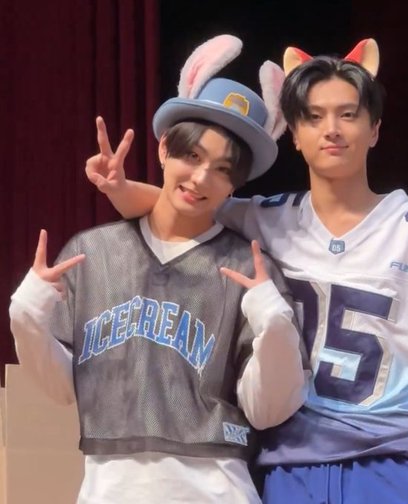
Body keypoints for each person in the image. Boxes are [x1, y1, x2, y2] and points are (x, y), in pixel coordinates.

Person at [87, 38, 408, 504]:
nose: (331, 130)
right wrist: (118, 187)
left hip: (390, 462)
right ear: (294, 133)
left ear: (375, 128)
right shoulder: (269, 218)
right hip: (288, 465)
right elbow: (179, 209)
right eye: (313, 117)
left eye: (347, 114)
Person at [9, 34, 308, 504]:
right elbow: (63, 388)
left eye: (223, 170)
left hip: (217, 488)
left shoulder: (248, 269)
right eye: (192, 156)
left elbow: (267, 410)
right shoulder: (93, 253)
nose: (201, 178)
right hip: (109, 487)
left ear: (236, 184)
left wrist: (273, 324)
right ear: (165, 148)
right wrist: (27, 316)